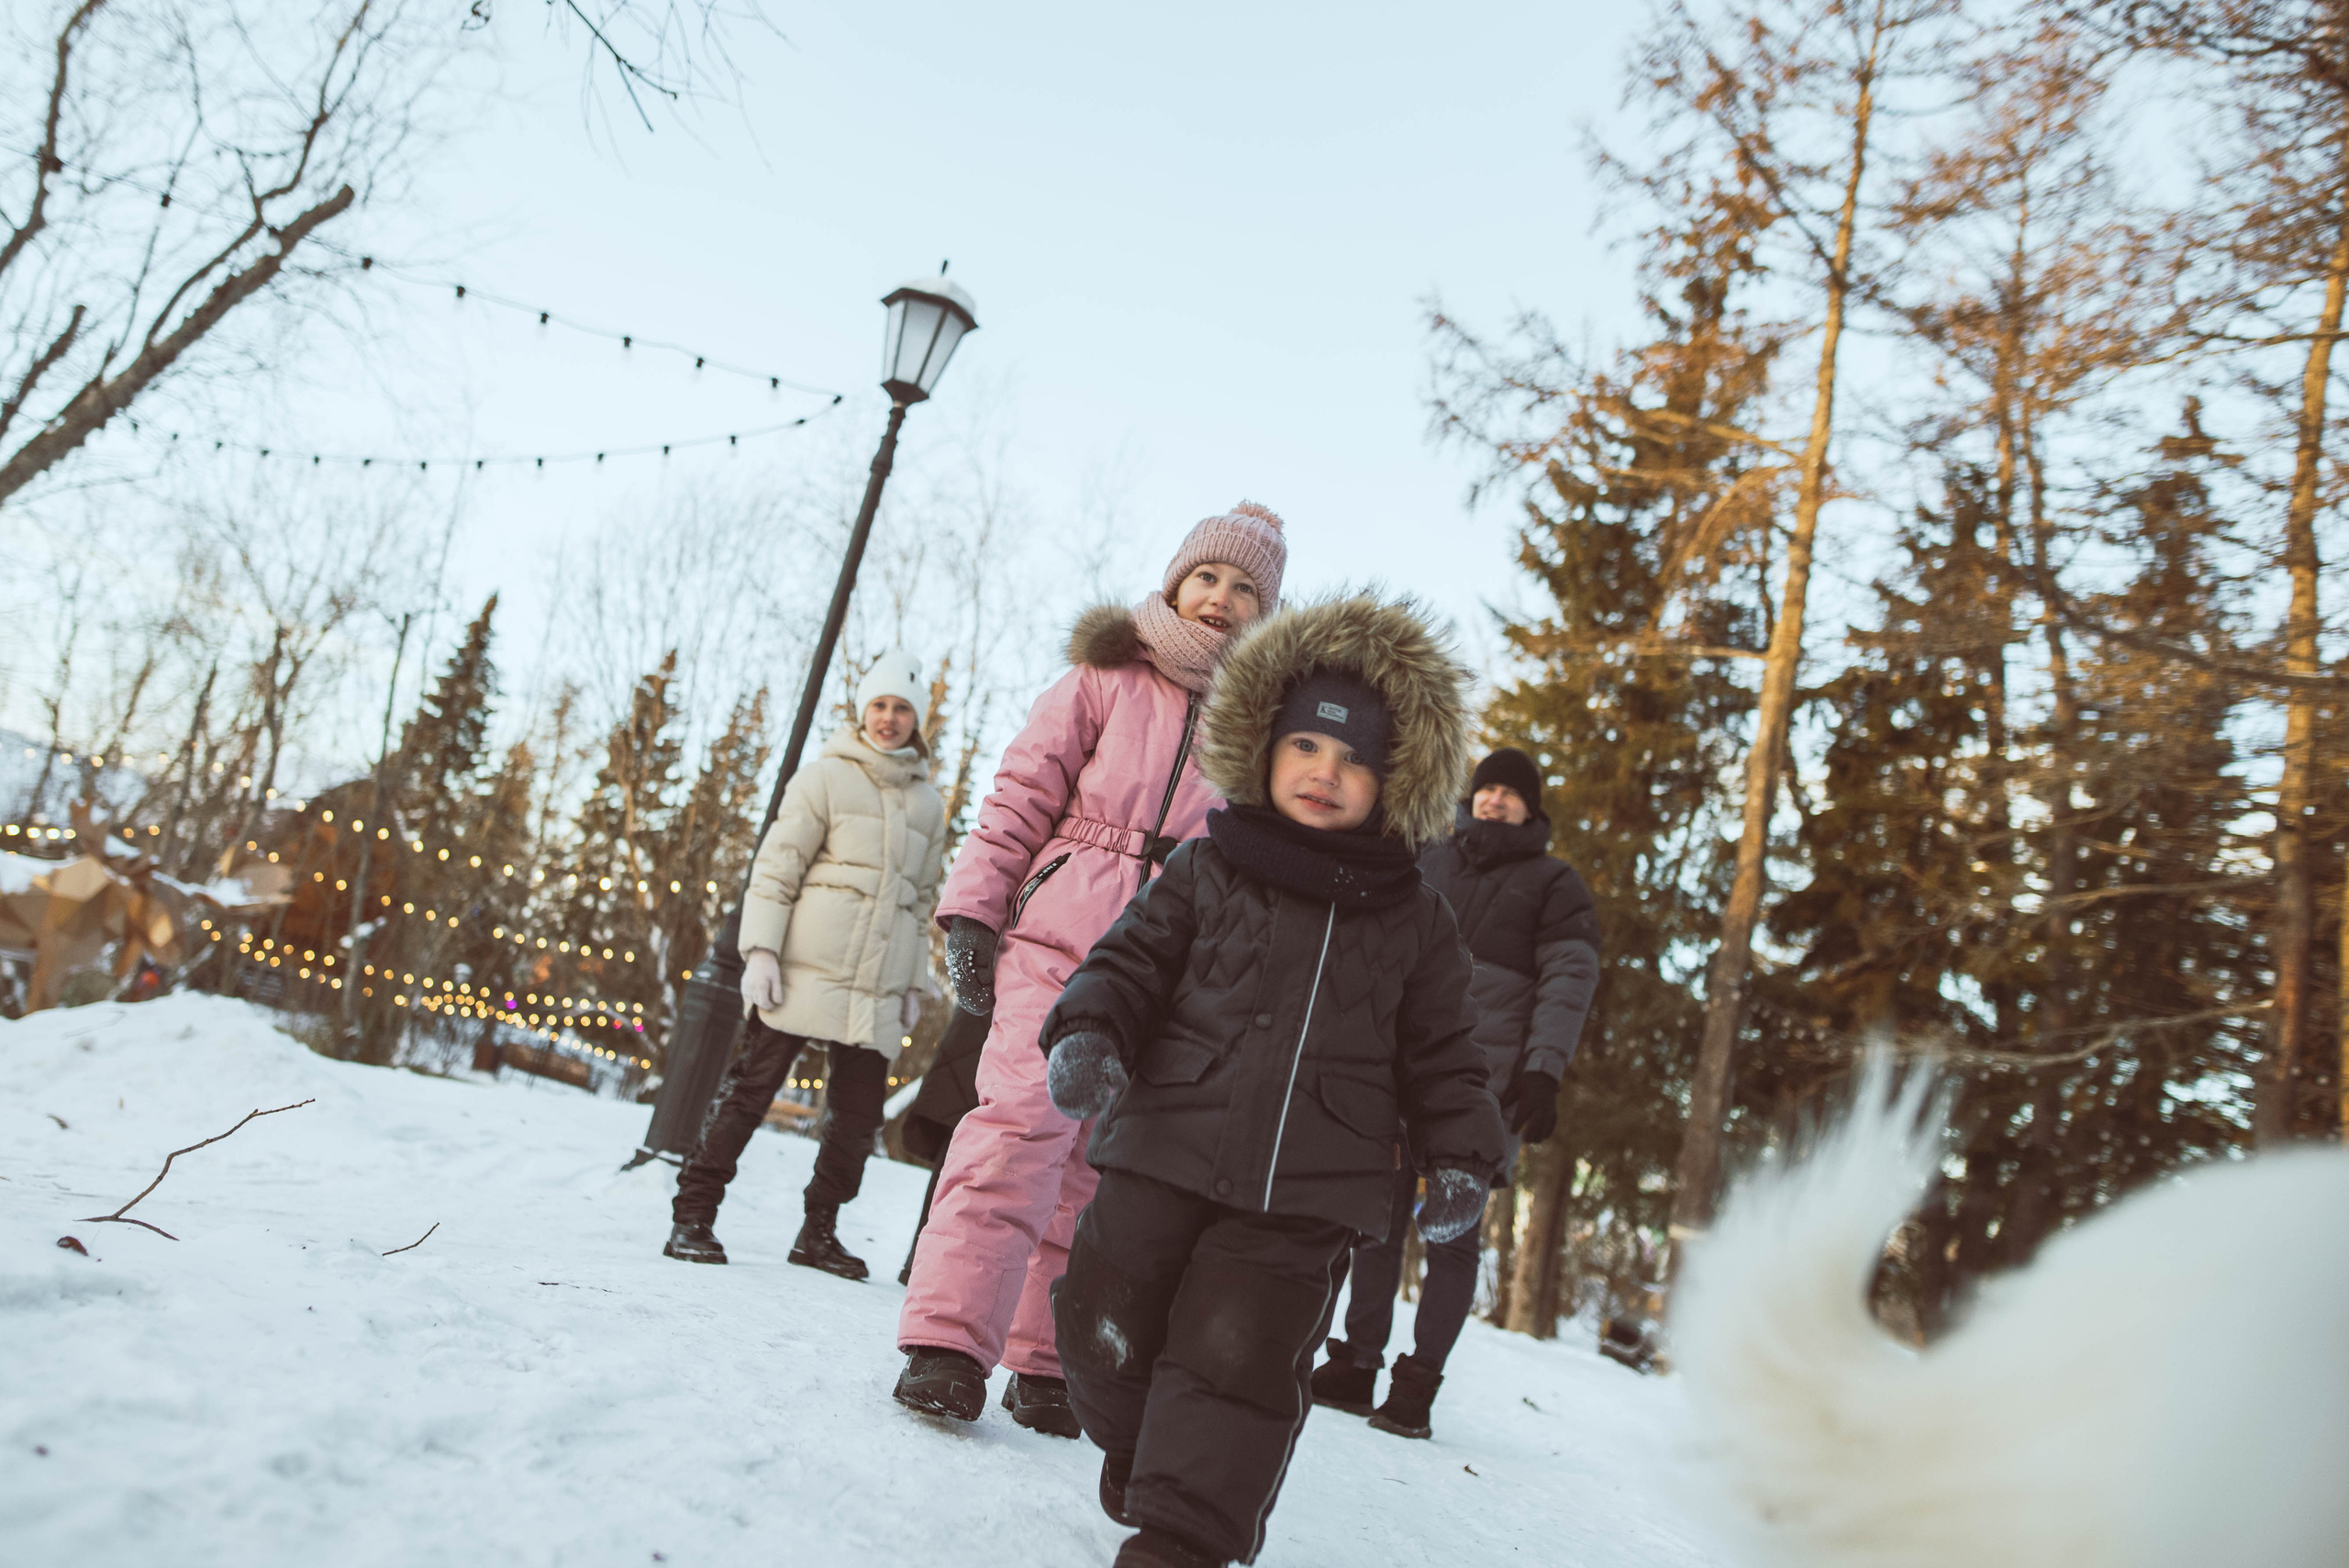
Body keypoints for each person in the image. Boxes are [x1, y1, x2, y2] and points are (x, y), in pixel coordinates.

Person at [1039, 593, 1508, 1568]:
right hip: (1166, 1139)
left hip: (1307, 1187)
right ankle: (1140, 1446)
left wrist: (1460, 1155)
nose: (1326, 772)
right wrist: (1088, 1029)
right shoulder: (1207, 869)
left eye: (1353, 761)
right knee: (1100, 1324)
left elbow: (1446, 1055)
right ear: (1265, 749)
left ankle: (1180, 1535)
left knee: (1237, 1357)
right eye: (1307, 748)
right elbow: (1125, 965)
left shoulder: (1416, 920)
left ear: (1396, 781)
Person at [894, 503, 1289, 1436]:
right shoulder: (1108, 673)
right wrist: (975, 910)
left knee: (1097, 1168)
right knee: (1017, 1130)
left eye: (1244, 589)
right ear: (1174, 580)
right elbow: (1021, 789)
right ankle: (948, 1343)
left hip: (1164, 976)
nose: (1221, 600)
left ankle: (1046, 1359)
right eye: (1208, 578)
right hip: (1058, 942)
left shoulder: (1262, 723)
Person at [1309, 745, 1600, 1439]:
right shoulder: (1429, 854)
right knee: (1375, 1223)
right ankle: (1356, 1362)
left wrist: (1543, 1070)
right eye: (1487, 788)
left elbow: (1568, 980)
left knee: (1453, 1234)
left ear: (1533, 808)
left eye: (1510, 792)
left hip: (1484, 1083)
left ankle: (1416, 1385)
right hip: (1399, 1063)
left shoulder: (1555, 884)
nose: (1494, 799)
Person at [662, 651, 947, 1278]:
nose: (889, 718)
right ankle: (694, 1214)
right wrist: (760, 950)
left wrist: (912, 983)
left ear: (917, 719)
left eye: (902, 708)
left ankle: (819, 1231)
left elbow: (924, 898)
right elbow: (777, 867)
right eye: (879, 705)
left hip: (876, 984)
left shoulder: (930, 805)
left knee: (857, 1119)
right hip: (802, 969)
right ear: (861, 711)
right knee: (749, 1093)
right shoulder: (824, 778)